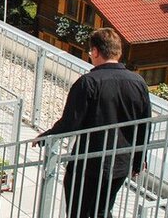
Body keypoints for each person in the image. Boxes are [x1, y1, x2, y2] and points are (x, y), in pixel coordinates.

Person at [34, 27, 151, 218]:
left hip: (89, 164)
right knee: (103, 210)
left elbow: (70, 123)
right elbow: (144, 125)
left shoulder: (88, 82)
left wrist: (44, 137)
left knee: (79, 211)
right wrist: (139, 161)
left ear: (95, 52)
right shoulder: (138, 82)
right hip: (121, 162)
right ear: (118, 52)